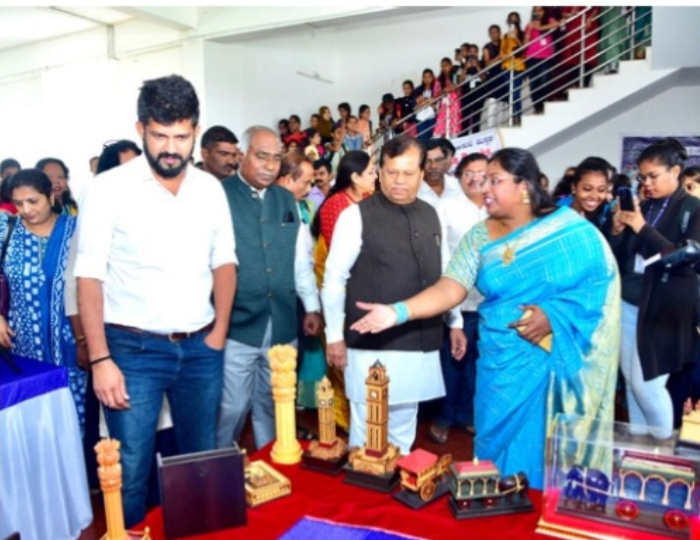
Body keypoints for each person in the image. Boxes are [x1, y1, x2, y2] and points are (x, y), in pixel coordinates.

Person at [350, 147, 620, 488]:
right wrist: (397, 312)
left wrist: (554, 315)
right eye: (480, 180)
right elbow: (451, 286)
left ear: (524, 185)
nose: (483, 188)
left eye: (494, 181)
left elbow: (601, 285)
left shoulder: (569, 230)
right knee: (493, 443)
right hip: (500, 360)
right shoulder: (479, 235)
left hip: (550, 359)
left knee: (543, 448)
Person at [74, 74, 237, 527]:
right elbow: (89, 278)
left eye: (181, 137)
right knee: (129, 469)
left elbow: (225, 262)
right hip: (132, 351)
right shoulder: (107, 189)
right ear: (140, 128)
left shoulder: (209, 189)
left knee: (200, 459)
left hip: (201, 347)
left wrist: (220, 333)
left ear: (195, 133)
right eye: (159, 135)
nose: (170, 148)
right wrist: (101, 359)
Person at [323, 136, 455, 453]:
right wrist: (334, 336)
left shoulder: (432, 214)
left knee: (404, 424)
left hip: (418, 336)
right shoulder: (355, 215)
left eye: (408, 173)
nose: (399, 181)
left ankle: (398, 479)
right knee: (366, 430)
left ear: (421, 173)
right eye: (391, 171)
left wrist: (457, 322)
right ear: (380, 172)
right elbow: (334, 279)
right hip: (370, 340)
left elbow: (446, 273)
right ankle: (363, 482)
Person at [217, 126, 322, 451]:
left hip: (282, 323)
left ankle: (271, 466)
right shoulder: (219, 196)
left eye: (276, 159)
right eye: (261, 156)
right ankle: (220, 465)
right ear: (241, 156)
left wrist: (311, 306)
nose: (270, 166)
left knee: (275, 404)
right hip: (238, 327)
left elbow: (299, 260)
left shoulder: (286, 200)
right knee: (231, 407)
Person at [611, 138, 700, 439]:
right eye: (642, 177)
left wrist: (640, 226)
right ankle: (639, 448)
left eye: (653, 176)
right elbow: (625, 256)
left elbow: (684, 258)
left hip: (665, 307)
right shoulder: (645, 206)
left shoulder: (693, 208)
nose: (646, 184)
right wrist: (618, 230)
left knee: (647, 387)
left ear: (675, 171)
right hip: (630, 302)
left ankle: (663, 450)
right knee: (631, 383)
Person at [0, 169, 85, 428]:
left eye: (33, 201)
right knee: (32, 421)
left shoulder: (76, 230)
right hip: (22, 345)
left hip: (73, 343)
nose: (26, 210)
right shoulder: (6, 230)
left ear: (51, 195)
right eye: (18, 203)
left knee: (74, 419)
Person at [311, 150, 376, 431]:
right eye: (371, 172)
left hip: (362, 290)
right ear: (355, 177)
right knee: (342, 356)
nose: (376, 176)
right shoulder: (336, 205)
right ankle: (344, 420)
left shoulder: (367, 199)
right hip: (341, 292)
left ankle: (361, 417)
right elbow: (340, 261)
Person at [561, 156, 614, 234]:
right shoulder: (558, 212)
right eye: (587, 189)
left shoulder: (606, 214)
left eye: (601, 190)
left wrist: (616, 231)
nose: (594, 196)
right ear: (574, 187)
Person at [524, 7, 559, 114]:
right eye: (536, 11)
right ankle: (537, 107)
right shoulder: (530, 24)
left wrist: (540, 27)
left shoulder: (549, 20)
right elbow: (525, 43)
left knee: (544, 82)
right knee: (533, 84)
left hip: (545, 57)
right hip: (531, 57)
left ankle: (543, 106)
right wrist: (530, 29)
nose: (538, 13)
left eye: (540, 10)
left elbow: (557, 24)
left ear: (544, 11)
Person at [500, 12, 526, 125]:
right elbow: (502, 51)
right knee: (510, 94)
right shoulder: (505, 36)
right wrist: (503, 55)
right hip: (507, 66)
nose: (513, 22)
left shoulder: (523, 34)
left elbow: (524, 48)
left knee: (516, 93)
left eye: (515, 19)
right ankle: (513, 116)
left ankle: (518, 115)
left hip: (518, 66)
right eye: (511, 20)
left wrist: (515, 37)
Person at [457, 153, 489, 221]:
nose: (475, 178)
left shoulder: (502, 204)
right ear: (460, 177)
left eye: (481, 174)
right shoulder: (444, 208)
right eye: (468, 174)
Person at [434, 58, 461, 138]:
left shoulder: (455, 76)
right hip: (444, 106)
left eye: (446, 65)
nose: (444, 68)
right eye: (442, 66)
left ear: (451, 65)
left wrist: (453, 87)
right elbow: (436, 95)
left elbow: (458, 89)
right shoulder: (439, 80)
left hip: (455, 104)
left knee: (454, 128)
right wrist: (444, 90)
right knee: (441, 129)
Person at [414, 69, 438, 142]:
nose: (427, 79)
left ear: (433, 77)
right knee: (422, 139)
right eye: (425, 77)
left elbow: (436, 103)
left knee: (432, 138)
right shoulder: (418, 90)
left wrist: (425, 101)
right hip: (421, 118)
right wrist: (427, 101)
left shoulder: (435, 88)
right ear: (422, 78)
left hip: (432, 117)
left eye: (429, 77)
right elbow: (415, 106)